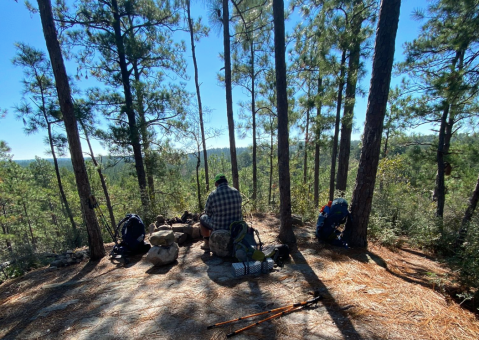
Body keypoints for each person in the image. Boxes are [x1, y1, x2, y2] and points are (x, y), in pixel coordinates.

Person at [200, 173, 243, 250]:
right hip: (236, 226)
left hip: (219, 226)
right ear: (226, 182)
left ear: (216, 183)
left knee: (203, 218)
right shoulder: (236, 191)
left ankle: (207, 243)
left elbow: (208, 213)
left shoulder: (212, 195)